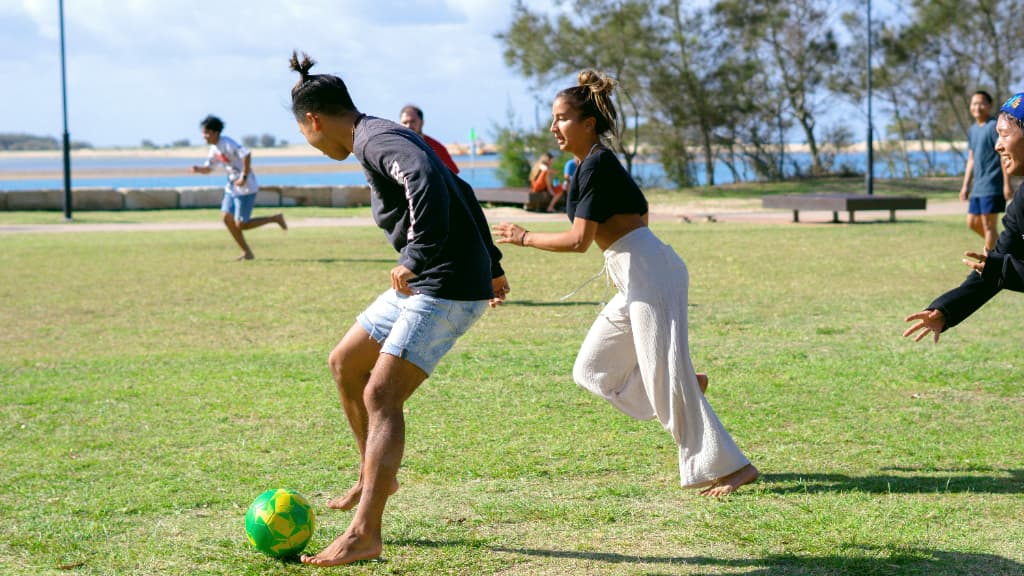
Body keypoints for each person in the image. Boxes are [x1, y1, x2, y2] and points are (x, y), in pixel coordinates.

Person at [287, 51, 509, 567]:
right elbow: (463, 188)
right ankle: (372, 475)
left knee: (381, 392)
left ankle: (365, 531)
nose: (309, 142)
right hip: (439, 276)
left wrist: (416, 254)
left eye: (303, 133)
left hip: (444, 282)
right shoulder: (379, 133)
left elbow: (424, 181)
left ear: (313, 121)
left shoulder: (376, 140)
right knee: (345, 361)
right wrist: (493, 262)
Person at [492, 70, 757, 497]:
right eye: (553, 119)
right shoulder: (586, 166)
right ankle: (684, 384)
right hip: (635, 276)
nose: (553, 128)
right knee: (591, 370)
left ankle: (734, 468)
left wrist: (524, 238)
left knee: (666, 379)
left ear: (588, 123)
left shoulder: (597, 163)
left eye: (561, 118)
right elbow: (641, 209)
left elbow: (580, 241)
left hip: (649, 274)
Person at [905, 92, 1024, 343]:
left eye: (1004, 134)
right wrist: (946, 310)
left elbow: (1000, 267)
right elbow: (995, 264)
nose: (997, 145)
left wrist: (1003, 269)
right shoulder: (1022, 199)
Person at [189, 115, 286, 260]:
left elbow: (246, 154)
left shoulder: (227, 143)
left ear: (215, 132)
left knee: (241, 224)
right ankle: (247, 252)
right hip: (232, 187)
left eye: (206, 133)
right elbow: (209, 168)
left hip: (246, 187)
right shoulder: (214, 149)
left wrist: (244, 176)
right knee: (226, 218)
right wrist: (198, 169)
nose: (204, 136)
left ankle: (275, 218)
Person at [959, 90, 1013, 253]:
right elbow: (972, 158)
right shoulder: (972, 130)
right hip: (978, 186)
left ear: (989, 106)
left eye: (981, 103)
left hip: (992, 185)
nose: (977, 107)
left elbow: (1003, 155)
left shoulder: (993, 127)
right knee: (972, 223)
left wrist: (1006, 184)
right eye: (974, 103)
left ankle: (991, 265)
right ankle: (1003, 251)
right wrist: (965, 185)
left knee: (989, 227)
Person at [398, 104, 459, 174]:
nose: (408, 126)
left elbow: (454, 175)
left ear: (422, 123)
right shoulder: (395, 146)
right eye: (405, 122)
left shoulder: (436, 147)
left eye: (413, 121)